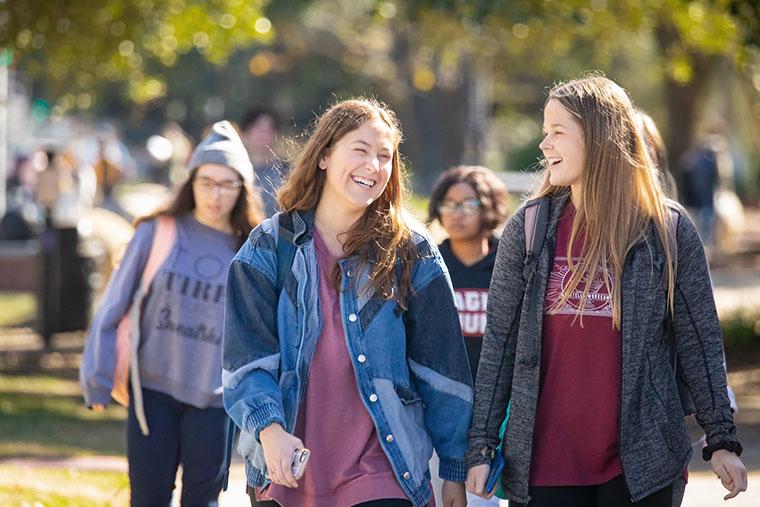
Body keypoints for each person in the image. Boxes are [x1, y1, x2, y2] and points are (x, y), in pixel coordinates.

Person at [465, 76, 746, 507]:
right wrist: (481, 446)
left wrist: (721, 438)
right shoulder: (529, 228)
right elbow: (498, 345)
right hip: (544, 466)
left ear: (598, 136)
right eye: (545, 132)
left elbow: (700, 341)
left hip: (644, 465)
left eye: (557, 132)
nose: (544, 145)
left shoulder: (667, 230)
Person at [222, 98, 472, 507]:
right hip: (288, 468)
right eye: (360, 150)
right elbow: (246, 359)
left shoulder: (410, 252)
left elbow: (441, 369)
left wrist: (453, 469)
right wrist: (270, 431)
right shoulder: (269, 247)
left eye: (384, 156)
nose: (373, 166)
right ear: (323, 155)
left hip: (385, 469)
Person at [80, 121, 263, 506]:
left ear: (242, 189)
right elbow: (112, 306)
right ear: (190, 182)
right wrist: (96, 376)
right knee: (148, 498)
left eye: (227, 184)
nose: (215, 194)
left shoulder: (252, 249)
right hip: (152, 392)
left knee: (203, 500)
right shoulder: (156, 233)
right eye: (206, 181)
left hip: (215, 400)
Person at [427, 165, 510, 507]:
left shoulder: (509, 262)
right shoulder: (428, 263)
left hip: (495, 417)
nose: (456, 214)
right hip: (440, 416)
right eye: (448, 204)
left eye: (467, 204)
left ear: (489, 207)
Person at [241, 106, 287, 216]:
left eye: (268, 129)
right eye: (258, 128)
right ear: (245, 134)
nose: (263, 134)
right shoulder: (237, 171)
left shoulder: (287, 171)